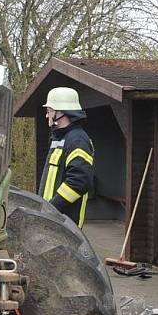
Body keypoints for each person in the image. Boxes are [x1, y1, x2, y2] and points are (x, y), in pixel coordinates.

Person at [38, 86, 95, 227]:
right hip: (52, 219)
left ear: (61, 112)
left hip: (65, 224)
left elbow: (79, 182)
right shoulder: (59, 138)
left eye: (49, 111)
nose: (47, 115)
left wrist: (51, 208)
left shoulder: (77, 140)